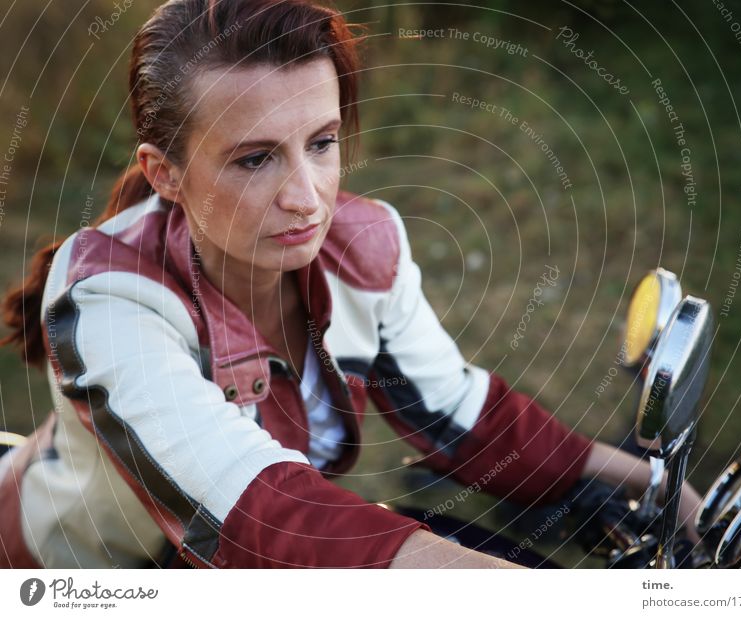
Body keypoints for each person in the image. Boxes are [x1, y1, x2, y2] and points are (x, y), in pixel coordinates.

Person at [0, 0, 701, 569]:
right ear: (165, 174)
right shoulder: (107, 296)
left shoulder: (363, 247)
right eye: (254, 159)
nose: (307, 198)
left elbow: (461, 414)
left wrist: (661, 487)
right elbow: (256, 510)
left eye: (322, 143)